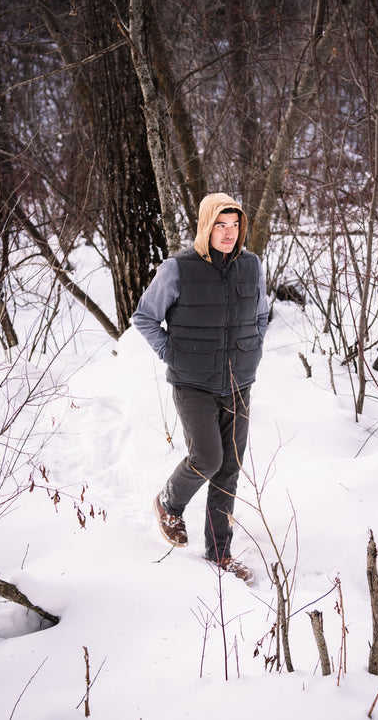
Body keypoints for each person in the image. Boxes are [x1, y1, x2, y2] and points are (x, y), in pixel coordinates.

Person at [132, 192, 269, 584]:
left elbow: (261, 316)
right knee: (207, 458)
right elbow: (144, 317)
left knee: (230, 469)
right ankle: (169, 503)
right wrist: (172, 353)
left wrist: (253, 353)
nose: (229, 233)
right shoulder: (178, 268)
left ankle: (219, 553)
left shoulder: (251, 265)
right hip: (193, 383)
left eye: (235, 225)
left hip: (239, 382)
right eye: (220, 225)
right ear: (206, 226)